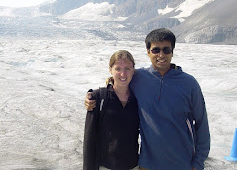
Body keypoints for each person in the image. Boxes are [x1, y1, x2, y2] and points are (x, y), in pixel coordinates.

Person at [85, 28, 210, 170]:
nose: (161, 55)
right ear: (148, 51)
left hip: (182, 163)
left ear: (172, 52)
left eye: (166, 50)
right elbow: (119, 78)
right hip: (147, 164)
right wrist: (91, 96)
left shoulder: (189, 83)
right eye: (156, 50)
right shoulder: (139, 77)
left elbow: (201, 123)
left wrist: (198, 162)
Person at [83, 50, 140, 170]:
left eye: (127, 69)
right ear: (110, 70)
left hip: (133, 166)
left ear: (133, 70)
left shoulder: (138, 99)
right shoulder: (98, 98)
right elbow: (89, 139)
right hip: (106, 166)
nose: (123, 74)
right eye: (118, 69)